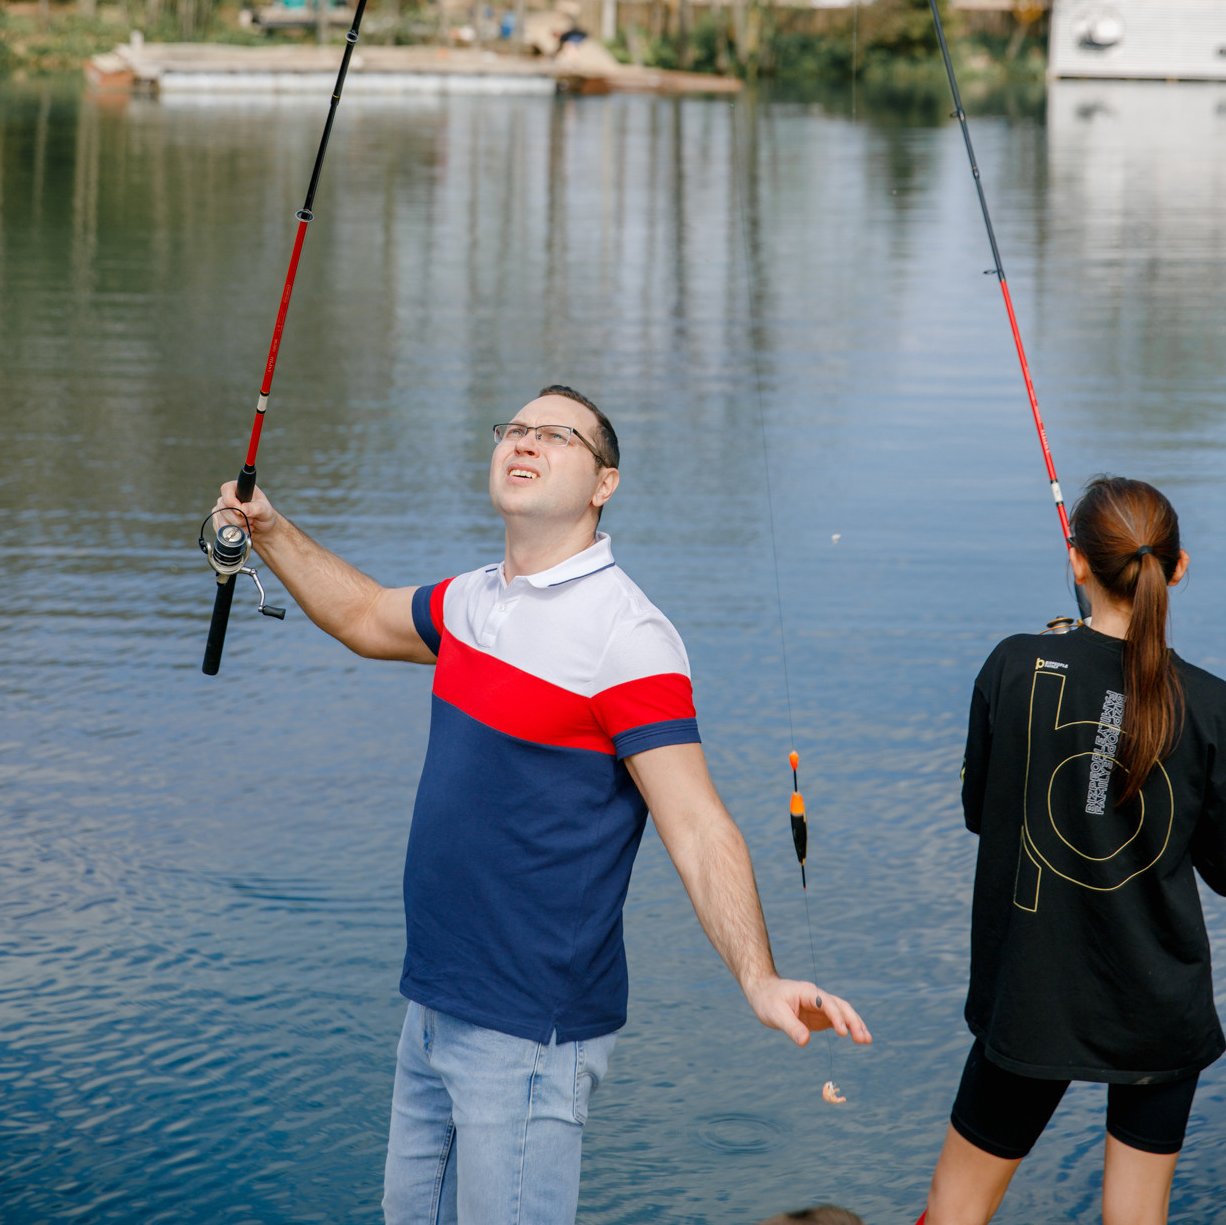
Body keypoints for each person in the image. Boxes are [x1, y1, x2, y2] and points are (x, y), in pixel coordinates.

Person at [217, 384, 871, 1225]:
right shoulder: (473, 600)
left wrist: (759, 975)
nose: (525, 442)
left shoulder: (626, 637)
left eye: (557, 436)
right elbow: (364, 615)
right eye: (516, 429)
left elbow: (697, 824)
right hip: (434, 1003)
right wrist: (269, 530)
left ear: (604, 485)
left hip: (528, 1033)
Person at [919, 475, 1226, 1225]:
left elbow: (982, 812)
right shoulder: (1211, 703)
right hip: (1158, 1006)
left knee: (956, 1211)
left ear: (1077, 561)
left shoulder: (1013, 665)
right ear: (1177, 569)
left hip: (1032, 1000)